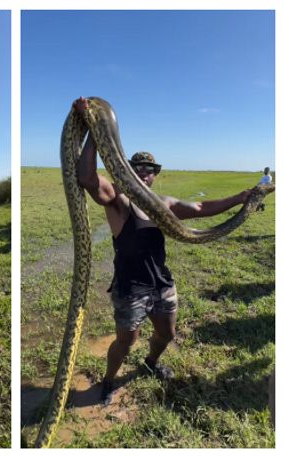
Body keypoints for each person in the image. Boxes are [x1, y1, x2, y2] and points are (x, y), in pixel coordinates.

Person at [72, 97, 256, 405]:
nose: (144, 173)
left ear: (155, 174)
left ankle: (151, 362)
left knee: (167, 334)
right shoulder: (118, 198)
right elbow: (87, 178)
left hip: (162, 283)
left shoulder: (165, 204)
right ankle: (108, 380)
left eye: (150, 170)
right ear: (127, 170)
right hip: (131, 287)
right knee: (126, 340)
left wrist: (240, 198)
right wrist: (93, 126)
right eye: (139, 168)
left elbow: (200, 207)